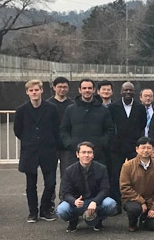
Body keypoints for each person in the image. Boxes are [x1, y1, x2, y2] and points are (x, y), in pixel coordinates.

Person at [15, 79, 62, 222]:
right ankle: (33, 212)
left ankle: (44, 210)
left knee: (50, 183)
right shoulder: (21, 110)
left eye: (37, 90)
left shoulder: (52, 108)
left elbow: (56, 128)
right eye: (31, 90)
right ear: (27, 92)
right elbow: (18, 130)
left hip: (48, 150)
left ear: (41, 90)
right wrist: (30, 140)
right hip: (30, 151)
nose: (34, 92)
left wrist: (53, 144)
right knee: (31, 184)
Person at [57, 142, 117, 232]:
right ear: (77, 154)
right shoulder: (69, 171)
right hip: (77, 202)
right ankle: (73, 221)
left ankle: (98, 220)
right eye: (83, 152)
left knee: (111, 204)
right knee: (62, 209)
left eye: (89, 152)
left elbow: (105, 189)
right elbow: (65, 193)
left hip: (95, 201)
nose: (86, 155)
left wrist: (95, 201)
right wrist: (74, 201)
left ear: (93, 155)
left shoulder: (101, 168)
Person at [108, 82, 147, 214]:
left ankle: (136, 202)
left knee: (137, 175)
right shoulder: (113, 107)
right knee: (116, 176)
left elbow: (142, 124)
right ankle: (116, 204)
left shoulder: (140, 108)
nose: (128, 93)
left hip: (133, 146)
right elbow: (110, 125)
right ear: (121, 92)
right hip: (116, 147)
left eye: (130, 90)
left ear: (134, 92)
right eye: (125, 90)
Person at [59, 79, 115, 170]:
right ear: (80, 90)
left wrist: (101, 144)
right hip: (75, 154)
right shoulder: (70, 109)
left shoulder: (103, 110)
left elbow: (110, 130)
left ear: (93, 90)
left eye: (89, 88)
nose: (87, 90)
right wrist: (70, 144)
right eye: (84, 88)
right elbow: (63, 129)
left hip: (97, 154)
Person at [119, 137, 154, 232]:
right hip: (132, 200)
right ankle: (133, 223)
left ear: (153, 150)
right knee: (134, 209)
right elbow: (125, 187)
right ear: (137, 149)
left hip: (150, 201)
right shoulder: (127, 166)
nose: (145, 150)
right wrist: (141, 202)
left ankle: (145, 218)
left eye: (149, 148)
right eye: (143, 147)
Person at [47, 77, 74, 189]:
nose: (62, 89)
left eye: (65, 87)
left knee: (67, 175)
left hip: (67, 145)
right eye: (59, 87)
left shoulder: (73, 104)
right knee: (49, 176)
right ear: (54, 88)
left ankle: (64, 199)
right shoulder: (47, 104)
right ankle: (50, 202)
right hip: (51, 145)